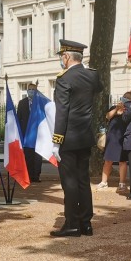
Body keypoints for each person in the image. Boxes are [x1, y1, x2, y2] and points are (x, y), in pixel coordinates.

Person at [50, 39, 102, 237]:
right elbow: (99, 89)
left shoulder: (64, 78)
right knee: (83, 181)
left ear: (66, 57)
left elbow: (62, 112)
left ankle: (72, 224)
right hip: (85, 136)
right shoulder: (92, 75)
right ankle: (86, 223)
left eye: (62, 57)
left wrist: (57, 141)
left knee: (70, 182)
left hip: (68, 138)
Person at [96, 92, 129, 192]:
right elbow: (108, 116)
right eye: (124, 98)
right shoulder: (114, 108)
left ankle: (122, 183)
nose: (125, 100)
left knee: (122, 161)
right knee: (108, 161)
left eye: (127, 99)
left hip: (123, 138)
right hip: (112, 138)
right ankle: (104, 182)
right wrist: (116, 109)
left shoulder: (130, 110)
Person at [17, 83, 43, 182]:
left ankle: (36, 176)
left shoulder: (40, 103)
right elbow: (18, 119)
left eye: (33, 89)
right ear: (27, 91)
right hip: (26, 135)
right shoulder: (22, 103)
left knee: (37, 157)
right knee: (28, 156)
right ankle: (29, 175)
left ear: (36, 91)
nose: (31, 91)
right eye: (29, 89)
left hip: (38, 135)